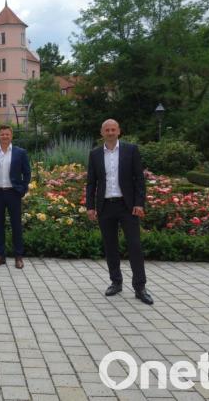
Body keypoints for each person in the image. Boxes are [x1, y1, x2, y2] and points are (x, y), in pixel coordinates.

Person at [85, 119, 153, 305]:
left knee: (134, 246)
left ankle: (140, 287)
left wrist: (139, 203)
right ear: (102, 133)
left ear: (119, 131)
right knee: (110, 246)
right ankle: (116, 282)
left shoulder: (131, 150)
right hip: (105, 205)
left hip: (127, 206)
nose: (110, 132)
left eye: (113, 129)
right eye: (107, 130)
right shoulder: (95, 154)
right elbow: (91, 183)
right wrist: (90, 206)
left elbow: (139, 179)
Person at [0, 125, 32, 269]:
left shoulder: (20, 152)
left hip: (13, 193)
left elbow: (27, 173)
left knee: (16, 225)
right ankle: (0, 256)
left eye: (7, 134)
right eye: (2, 134)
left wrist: (22, 189)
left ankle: (18, 257)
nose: (4, 136)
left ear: (11, 136)